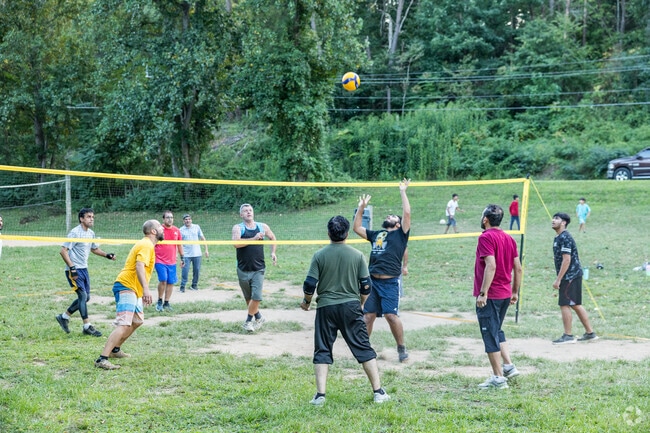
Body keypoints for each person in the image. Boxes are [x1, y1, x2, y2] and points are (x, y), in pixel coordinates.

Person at [301, 215, 390, 405]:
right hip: (351, 306)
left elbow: (310, 284)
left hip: (326, 307)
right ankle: (378, 392)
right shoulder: (357, 255)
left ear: (328, 233)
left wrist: (307, 302)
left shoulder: (319, 255)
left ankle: (320, 396)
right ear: (347, 234)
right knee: (363, 347)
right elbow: (366, 286)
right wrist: (362, 303)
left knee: (322, 349)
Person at [353, 178, 411, 362]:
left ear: (398, 224)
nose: (390, 215)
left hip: (390, 282)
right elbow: (356, 228)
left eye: (394, 216)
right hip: (373, 282)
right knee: (367, 316)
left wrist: (403, 191)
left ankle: (401, 348)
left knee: (390, 316)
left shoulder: (401, 235)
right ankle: (364, 349)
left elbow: (407, 212)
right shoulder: (377, 234)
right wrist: (361, 208)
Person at [94, 219, 164, 370]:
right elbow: (139, 266)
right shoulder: (146, 245)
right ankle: (102, 359)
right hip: (127, 286)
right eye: (159, 226)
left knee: (137, 321)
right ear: (153, 231)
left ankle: (115, 350)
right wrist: (146, 290)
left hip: (134, 289)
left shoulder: (148, 245)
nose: (162, 228)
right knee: (124, 323)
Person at [474, 204, 523, 389]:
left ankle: (498, 378)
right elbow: (518, 268)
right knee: (496, 330)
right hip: (504, 294)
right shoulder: (509, 238)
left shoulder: (486, 237)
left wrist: (483, 293)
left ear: (485, 219)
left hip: (491, 295)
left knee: (489, 334)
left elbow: (491, 265)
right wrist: (515, 291)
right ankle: (508, 367)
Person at [56, 208, 116, 337]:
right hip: (74, 270)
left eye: (93, 217)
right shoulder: (74, 233)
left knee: (86, 297)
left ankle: (64, 317)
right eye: (89, 216)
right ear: (81, 219)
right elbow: (63, 251)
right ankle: (87, 326)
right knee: (83, 296)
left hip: (84, 269)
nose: (91, 219)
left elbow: (94, 249)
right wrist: (72, 267)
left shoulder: (91, 233)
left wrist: (107, 255)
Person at [551, 212, 598, 344]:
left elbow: (567, 260)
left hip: (570, 275)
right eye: (553, 218)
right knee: (576, 304)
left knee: (565, 304)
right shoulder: (558, 237)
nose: (553, 220)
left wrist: (558, 279)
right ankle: (590, 333)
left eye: (556, 218)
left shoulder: (565, 237)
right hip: (571, 275)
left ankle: (568, 335)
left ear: (564, 222)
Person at [232, 203, 277, 332]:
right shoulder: (237, 228)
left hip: (259, 268)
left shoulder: (262, 226)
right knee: (249, 298)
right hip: (242, 268)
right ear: (241, 214)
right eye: (245, 211)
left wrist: (273, 252)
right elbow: (236, 244)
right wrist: (254, 238)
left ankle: (247, 322)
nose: (248, 212)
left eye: (250, 210)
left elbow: (273, 238)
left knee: (256, 297)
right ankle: (258, 317)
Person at [154, 210, 184, 312]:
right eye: (167, 217)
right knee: (163, 279)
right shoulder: (159, 230)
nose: (170, 219)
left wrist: (182, 257)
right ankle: (159, 301)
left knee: (171, 282)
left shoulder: (176, 230)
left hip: (172, 261)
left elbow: (179, 245)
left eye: (171, 217)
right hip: (159, 260)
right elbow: (152, 243)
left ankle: (166, 302)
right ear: (163, 219)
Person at [179, 214, 209, 292]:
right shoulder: (181, 230)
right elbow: (178, 243)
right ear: (183, 221)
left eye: (189, 219)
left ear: (191, 220)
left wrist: (206, 250)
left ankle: (194, 285)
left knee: (197, 270)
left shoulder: (196, 227)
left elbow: (202, 238)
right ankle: (182, 286)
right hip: (186, 254)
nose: (187, 220)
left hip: (197, 254)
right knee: (185, 270)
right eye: (186, 219)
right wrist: (179, 254)